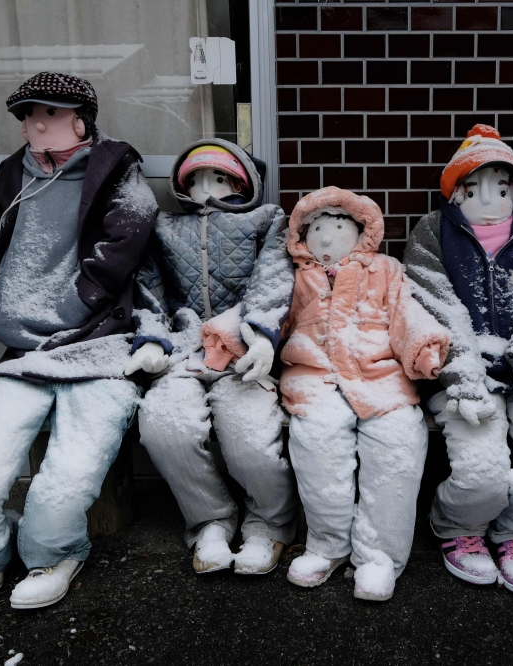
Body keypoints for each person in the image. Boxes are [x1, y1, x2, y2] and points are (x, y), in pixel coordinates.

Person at [0, 71, 158, 609]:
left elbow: (128, 233)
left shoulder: (115, 170)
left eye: (49, 113)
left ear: (81, 118)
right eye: (26, 115)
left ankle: (53, 552)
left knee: (67, 477)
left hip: (98, 345)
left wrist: (78, 300)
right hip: (20, 351)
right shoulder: (18, 176)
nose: (34, 123)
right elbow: (1, 247)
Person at [403, 125, 513, 594]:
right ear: (456, 192)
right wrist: (461, 374)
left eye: (501, 188)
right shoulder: (432, 232)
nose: (489, 199)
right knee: (481, 469)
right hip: (463, 376)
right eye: (474, 188)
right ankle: (458, 527)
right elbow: (434, 304)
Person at [127, 139, 297, 575]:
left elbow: (274, 278)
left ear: (241, 183)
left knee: (250, 439)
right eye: (196, 179)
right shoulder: (165, 226)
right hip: (184, 352)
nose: (207, 188)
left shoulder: (266, 220)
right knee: (165, 428)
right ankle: (211, 521)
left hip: (242, 354)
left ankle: (270, 523)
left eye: (219, 178)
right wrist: (152, 339)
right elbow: (148, 287)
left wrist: (261, 335)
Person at [280, 187, 450, 601]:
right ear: (302, 237)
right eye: (317, 229)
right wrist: (240, 342)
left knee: (398, 443)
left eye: (338, 227)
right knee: (317, 442)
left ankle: (379, 556)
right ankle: (327, 544)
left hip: (381, 377)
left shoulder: (386, 269)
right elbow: (268, 316)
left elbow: (406, 313)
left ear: (361, 233)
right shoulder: (296, 276)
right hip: (316, 376)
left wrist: (424, 348)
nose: (326, 237)